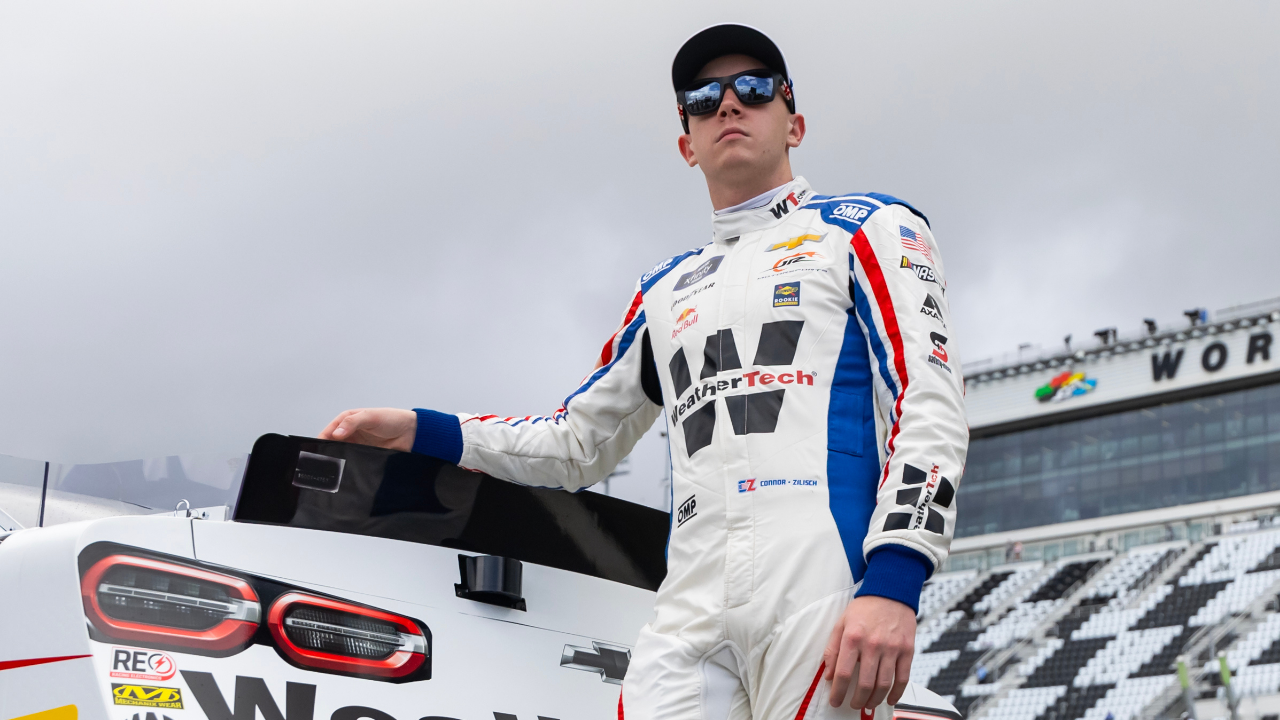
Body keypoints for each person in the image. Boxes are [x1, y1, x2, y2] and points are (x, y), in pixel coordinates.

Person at [319, 23, 968, 720]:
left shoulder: (869, 227)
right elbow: (577, 442)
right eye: (701, 97)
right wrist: (426, 431)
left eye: (752, 88)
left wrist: (896, 578)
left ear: (794, 122)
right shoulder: (665, 290)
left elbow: (927, 402)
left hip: (819, 576)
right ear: (687, 144)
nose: (728, 104)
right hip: (690, 592)